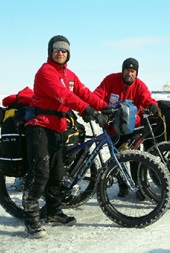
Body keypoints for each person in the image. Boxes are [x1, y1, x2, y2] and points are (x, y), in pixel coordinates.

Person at [23, 35, 107, 239]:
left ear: (69, 53)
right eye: (56, 49)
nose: (60, 53)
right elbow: (64, 95)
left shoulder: (69, 75)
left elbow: (84, 93)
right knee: (41, 172)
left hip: (59, 128)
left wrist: (105, 108)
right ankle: (31, 217)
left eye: (64, 50)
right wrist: (87, 110)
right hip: (40, 126)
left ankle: (53, 212)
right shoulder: (46, 72)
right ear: (50, 52)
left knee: (57, 173)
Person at [93, 57, 159, 198]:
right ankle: (123, 185)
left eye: (133, 71)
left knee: (135, 157)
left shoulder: (140, 85)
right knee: (116, 157)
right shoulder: (110, 80)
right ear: (122, 70)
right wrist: (101, 109)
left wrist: (152, 105)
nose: (130, 74)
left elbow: (146, 98)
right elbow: (97, 95)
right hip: (112, 128)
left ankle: (140, 186)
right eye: (128, 70)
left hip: (132, 129)